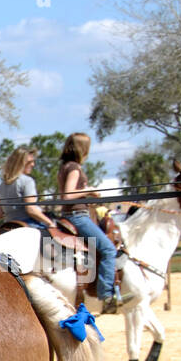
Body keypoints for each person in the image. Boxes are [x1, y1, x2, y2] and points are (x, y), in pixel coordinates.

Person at [58, 132, 120, 313]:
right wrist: (90, 191)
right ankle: (106, 295)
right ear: (82, 148)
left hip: (72, 213)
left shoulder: (64, 167)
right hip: (78, 216)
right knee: (108, 249)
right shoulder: (75, 168)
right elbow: (67, 195)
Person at [0, 147, 57, 231]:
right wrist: (50, 223)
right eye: (29, 162)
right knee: (57, 240)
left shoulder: (2, 184)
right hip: (29, 224)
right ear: (20, 164)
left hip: (8, 225)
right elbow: (31, 210)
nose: (33, 164)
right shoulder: (27, 181)